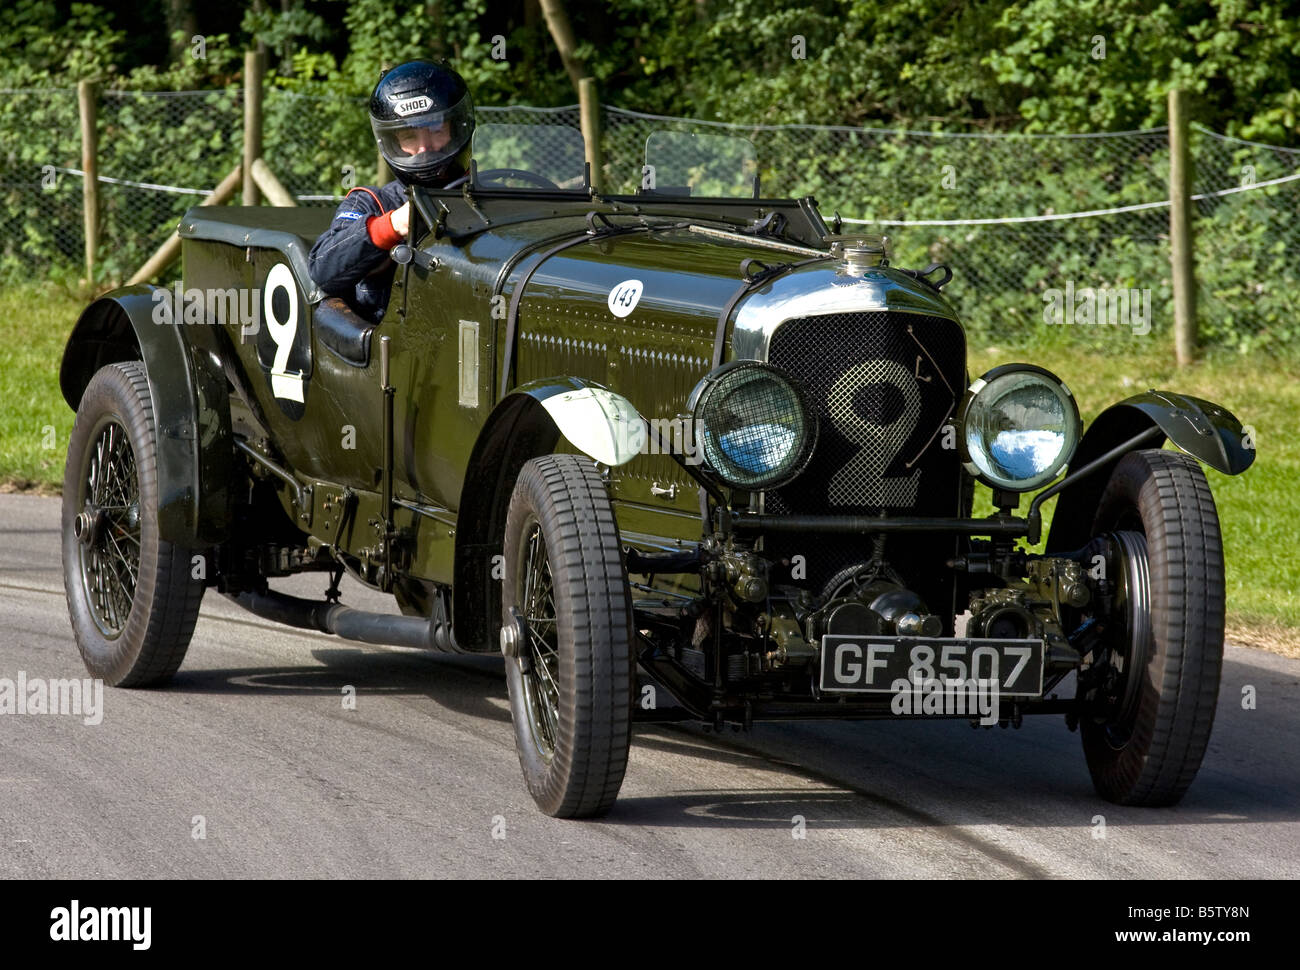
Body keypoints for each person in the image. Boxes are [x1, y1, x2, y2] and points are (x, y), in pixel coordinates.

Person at [308, 60, 474, 323]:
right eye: (409, 137)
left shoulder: (489, 196)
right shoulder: (372, 204)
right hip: (395, 349)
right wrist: (391, 227)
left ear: (457, 128)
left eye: (435, 130)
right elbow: (322, 268)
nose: (424, 148)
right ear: (392, 142)